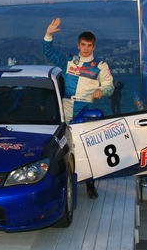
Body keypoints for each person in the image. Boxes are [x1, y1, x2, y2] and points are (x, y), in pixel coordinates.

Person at [43, 17, 114, 199]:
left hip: (85, 109)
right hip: (65, 108)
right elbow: (49, 52)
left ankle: (90, 183)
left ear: (94, 47)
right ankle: (63, 182)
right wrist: (48, 34)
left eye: (89, 45)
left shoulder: (100, 66)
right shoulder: (69, 61)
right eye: (83, 45)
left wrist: (101, 90)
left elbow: (109, 86)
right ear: (78, 45)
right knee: (63, 147)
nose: (86, 48)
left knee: (88, 148)